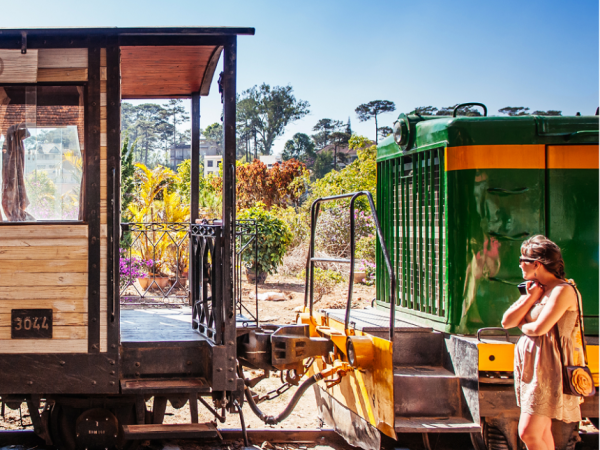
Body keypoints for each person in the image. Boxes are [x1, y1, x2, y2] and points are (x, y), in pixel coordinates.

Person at [502, 235, 584, 450]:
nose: (519, 265)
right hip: (532, 367)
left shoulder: (562, 290)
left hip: (549, 366)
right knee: (541, 431)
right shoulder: (536, 289)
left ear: (536, 264)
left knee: (528, 432)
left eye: (522, 260)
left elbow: (539, 329)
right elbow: (506, 321)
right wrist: (529, 297)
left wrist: (522, 326)